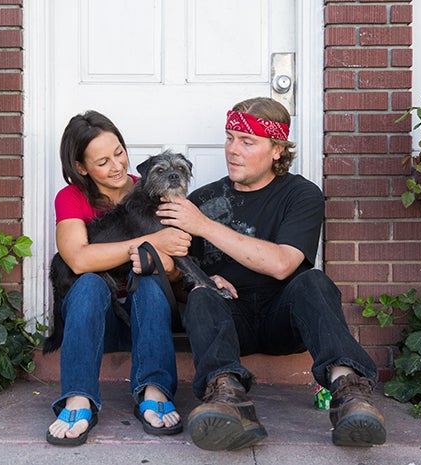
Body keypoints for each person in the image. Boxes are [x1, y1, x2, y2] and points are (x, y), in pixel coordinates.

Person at [155, 97, 387, 450]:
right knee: (202, 294)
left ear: (277, 149)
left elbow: (282, 264)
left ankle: (349, 393)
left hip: (285, 318)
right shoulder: (202, 199)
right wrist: (196, 280)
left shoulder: (301, 194)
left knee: (313, 280)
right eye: (230, 138)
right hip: (231, 318)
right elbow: (180, 274)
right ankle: (226, 397)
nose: (233, 150)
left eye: (247, 142)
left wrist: (203, 225)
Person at [46, 110, 190, 446]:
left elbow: (176, 264)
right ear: (81, 167)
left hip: (149, 318)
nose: (116, 166)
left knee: (151, 277)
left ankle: (154, 389)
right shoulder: (71, 198)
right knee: (90, 281)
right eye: (102, 161)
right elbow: (79, 259)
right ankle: (79, 398)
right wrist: (152, 241)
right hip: (97, 321)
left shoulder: (153, 189)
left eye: (119, 153)